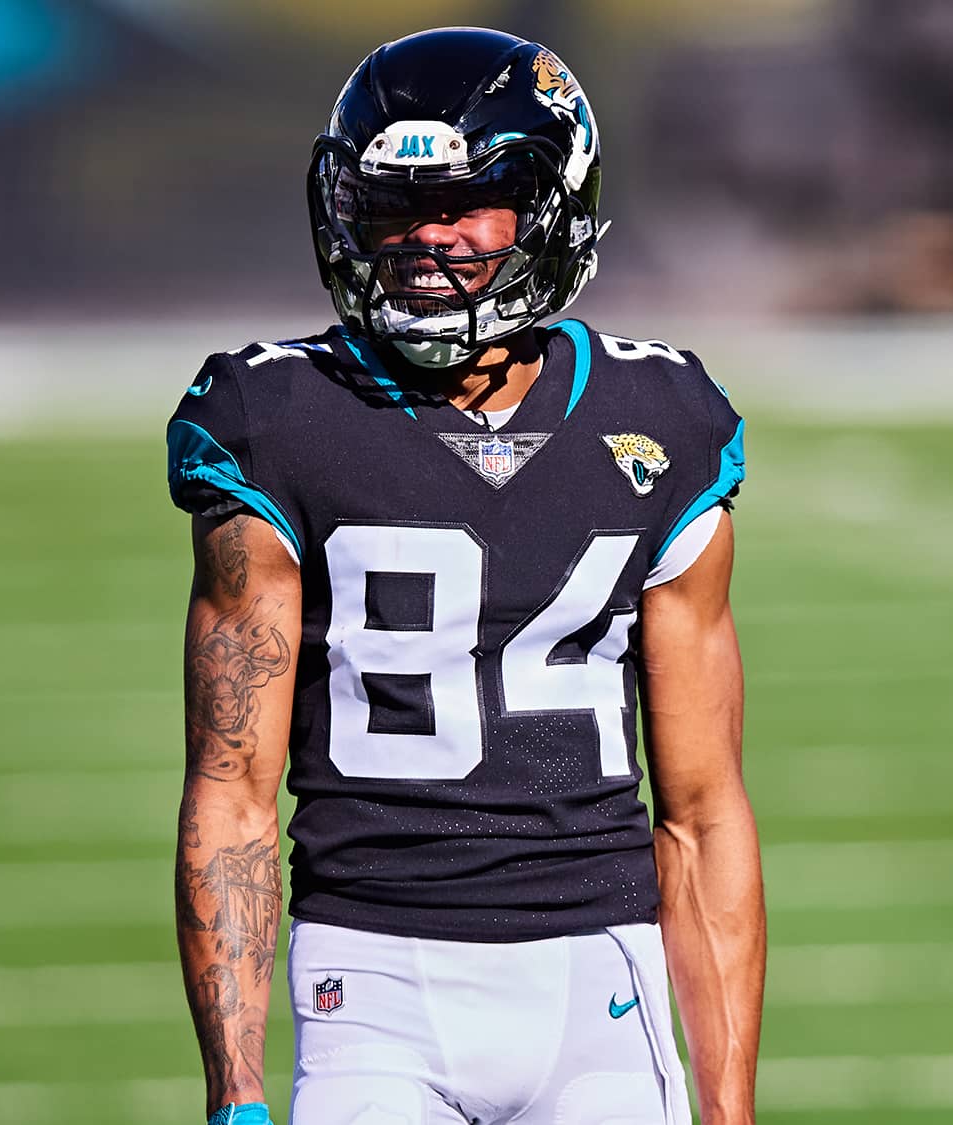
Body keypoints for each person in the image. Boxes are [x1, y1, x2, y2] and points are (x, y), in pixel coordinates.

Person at [167, 26, 762, 1125]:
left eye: (465, 203)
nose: (424, 240)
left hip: (601, 981)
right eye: (394, 207)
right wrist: (236, 1096)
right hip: (373, 981)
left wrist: (727, 1107)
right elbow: (232, 793)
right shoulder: (275, 418)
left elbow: (700, 811)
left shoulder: (661, 422)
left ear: (551, 208)